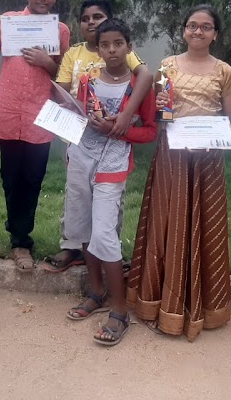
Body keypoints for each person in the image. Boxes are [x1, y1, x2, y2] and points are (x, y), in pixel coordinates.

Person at [125, 4, 231, 341]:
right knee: (166, 223)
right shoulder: (167, 66)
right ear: (184, 30)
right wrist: (162, 109)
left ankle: (205, 306)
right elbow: (160, 114)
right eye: (192, 25)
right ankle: (157, 302)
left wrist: (211, 141)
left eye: (206, 26)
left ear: (215, 34)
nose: (198, 31)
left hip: (208, 159)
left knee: (206, 224)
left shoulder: (225, 71)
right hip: (172, 155)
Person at [62, 18, 157, 346]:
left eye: (118, 43)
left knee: (104, 232)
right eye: (105, 45)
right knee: (83, 228)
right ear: (98, 49)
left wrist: (119, 130)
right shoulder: (88, 80)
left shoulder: (139, 86)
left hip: (113, 163)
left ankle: (120, 311)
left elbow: (150, 131)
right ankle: (97, 291)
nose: (112, 50)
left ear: (129, 47)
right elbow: (78, 116)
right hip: (81, 157)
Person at [0, 0, 70, 271]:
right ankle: (18, 239)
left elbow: (65, 77)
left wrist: (46, 62)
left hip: (41, 116)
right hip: (8, 112)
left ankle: (21, 238)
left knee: (33, 178)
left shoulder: (60, 31)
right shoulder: (9, 21)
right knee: (11, 179)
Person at [44, 0, 154, 273]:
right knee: (77, 198)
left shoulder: (121, 50)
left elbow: (145, 75)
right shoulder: (74, 53)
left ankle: (109, 251)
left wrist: (125, 116)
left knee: (108, 206)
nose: (91, 22)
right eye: (86, 18)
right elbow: (61, 90)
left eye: (98, 17)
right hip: (79, 134)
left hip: (114, 145)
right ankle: (73, 248)